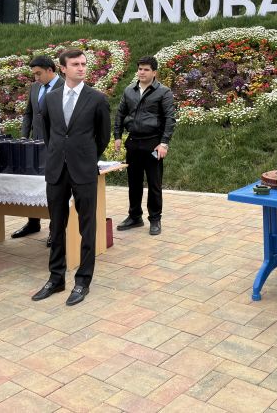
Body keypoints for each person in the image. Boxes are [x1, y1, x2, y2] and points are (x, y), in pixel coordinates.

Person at [32, 49, 110, 306]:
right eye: (75, 64)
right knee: (56, 226)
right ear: (63, 69)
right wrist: (59, 154)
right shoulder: (50, 99)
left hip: (83, 170)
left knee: (87, 227)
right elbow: (48, 134)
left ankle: (82, 281)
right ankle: (56, 278)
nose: (81, 68)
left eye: (83, 64)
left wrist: (85, 157)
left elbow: (103, 137)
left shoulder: (97, 99)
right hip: (56, 170)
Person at [114, 56, 176, 236]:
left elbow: (170, 119)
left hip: (153, 144)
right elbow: (120, 114)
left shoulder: (163, 92)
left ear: (154, 72)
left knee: (154, 183)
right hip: (133, 142)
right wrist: (117, 136)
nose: (142, 72)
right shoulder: (129, 90)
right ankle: (135, 216)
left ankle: (155, 219)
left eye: (146, 69)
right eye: (140, 69)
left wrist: (164, 143)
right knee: (134, 182)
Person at [12, 55, 60, 246]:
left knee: (53, 188)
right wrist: (24, 137)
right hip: (35, 143)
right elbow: (29, 113)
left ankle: (55, 229)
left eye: (39, 74)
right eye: (34, 74)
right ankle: (33, 222)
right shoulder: (35, 87)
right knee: (32, 184)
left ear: (50, 70)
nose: (36, 78)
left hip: (55, 145)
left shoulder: (64, 86)